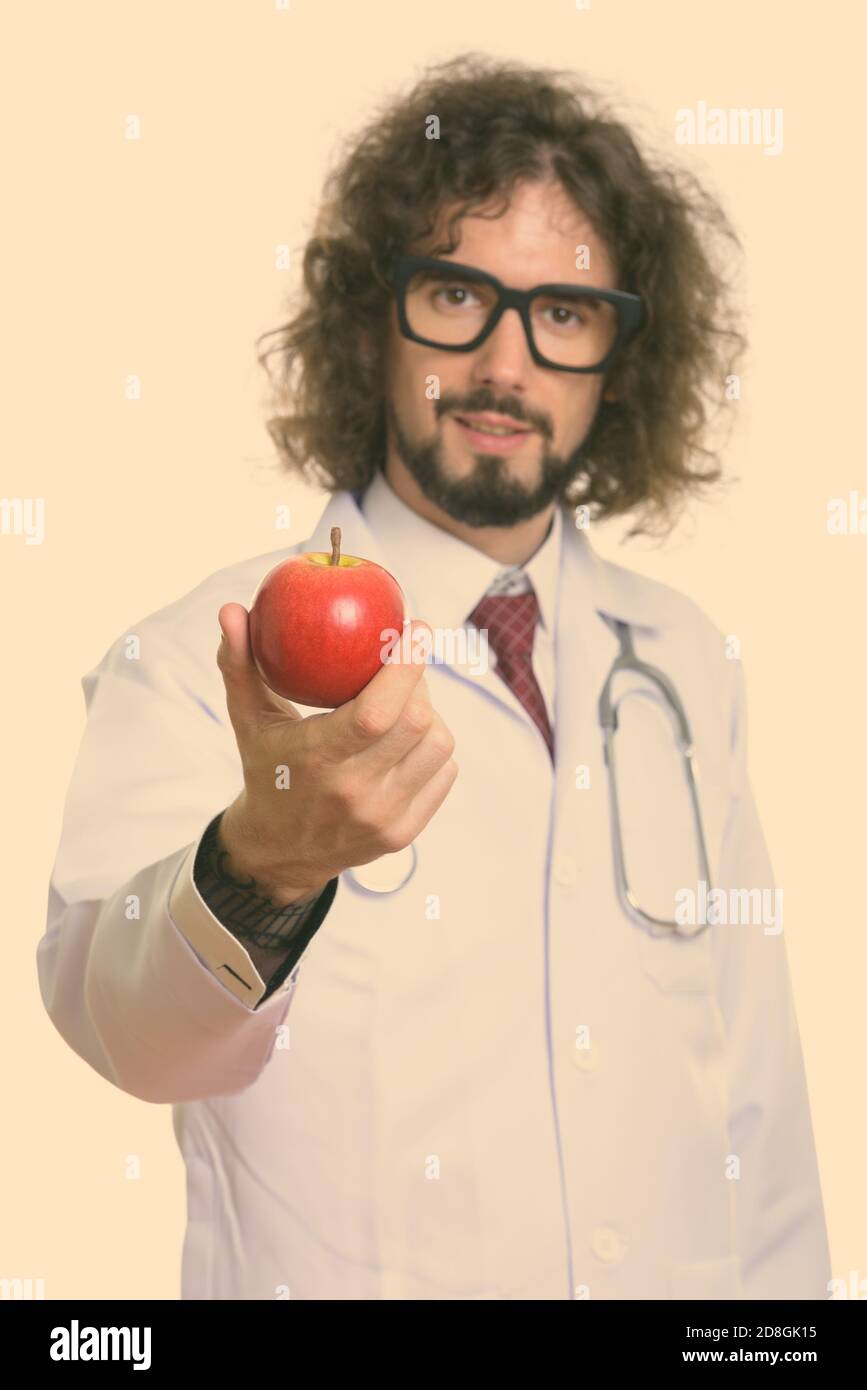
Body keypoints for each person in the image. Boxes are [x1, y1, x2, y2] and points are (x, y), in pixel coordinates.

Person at [37, 54, 831, 1301]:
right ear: (374, 318)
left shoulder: (684, 664)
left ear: (620, 356)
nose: (507, 366)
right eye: (459, 294)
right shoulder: (208, 650)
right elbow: (123, 1025)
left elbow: (761, 1122)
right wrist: (262, 864)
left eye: (565, 312)